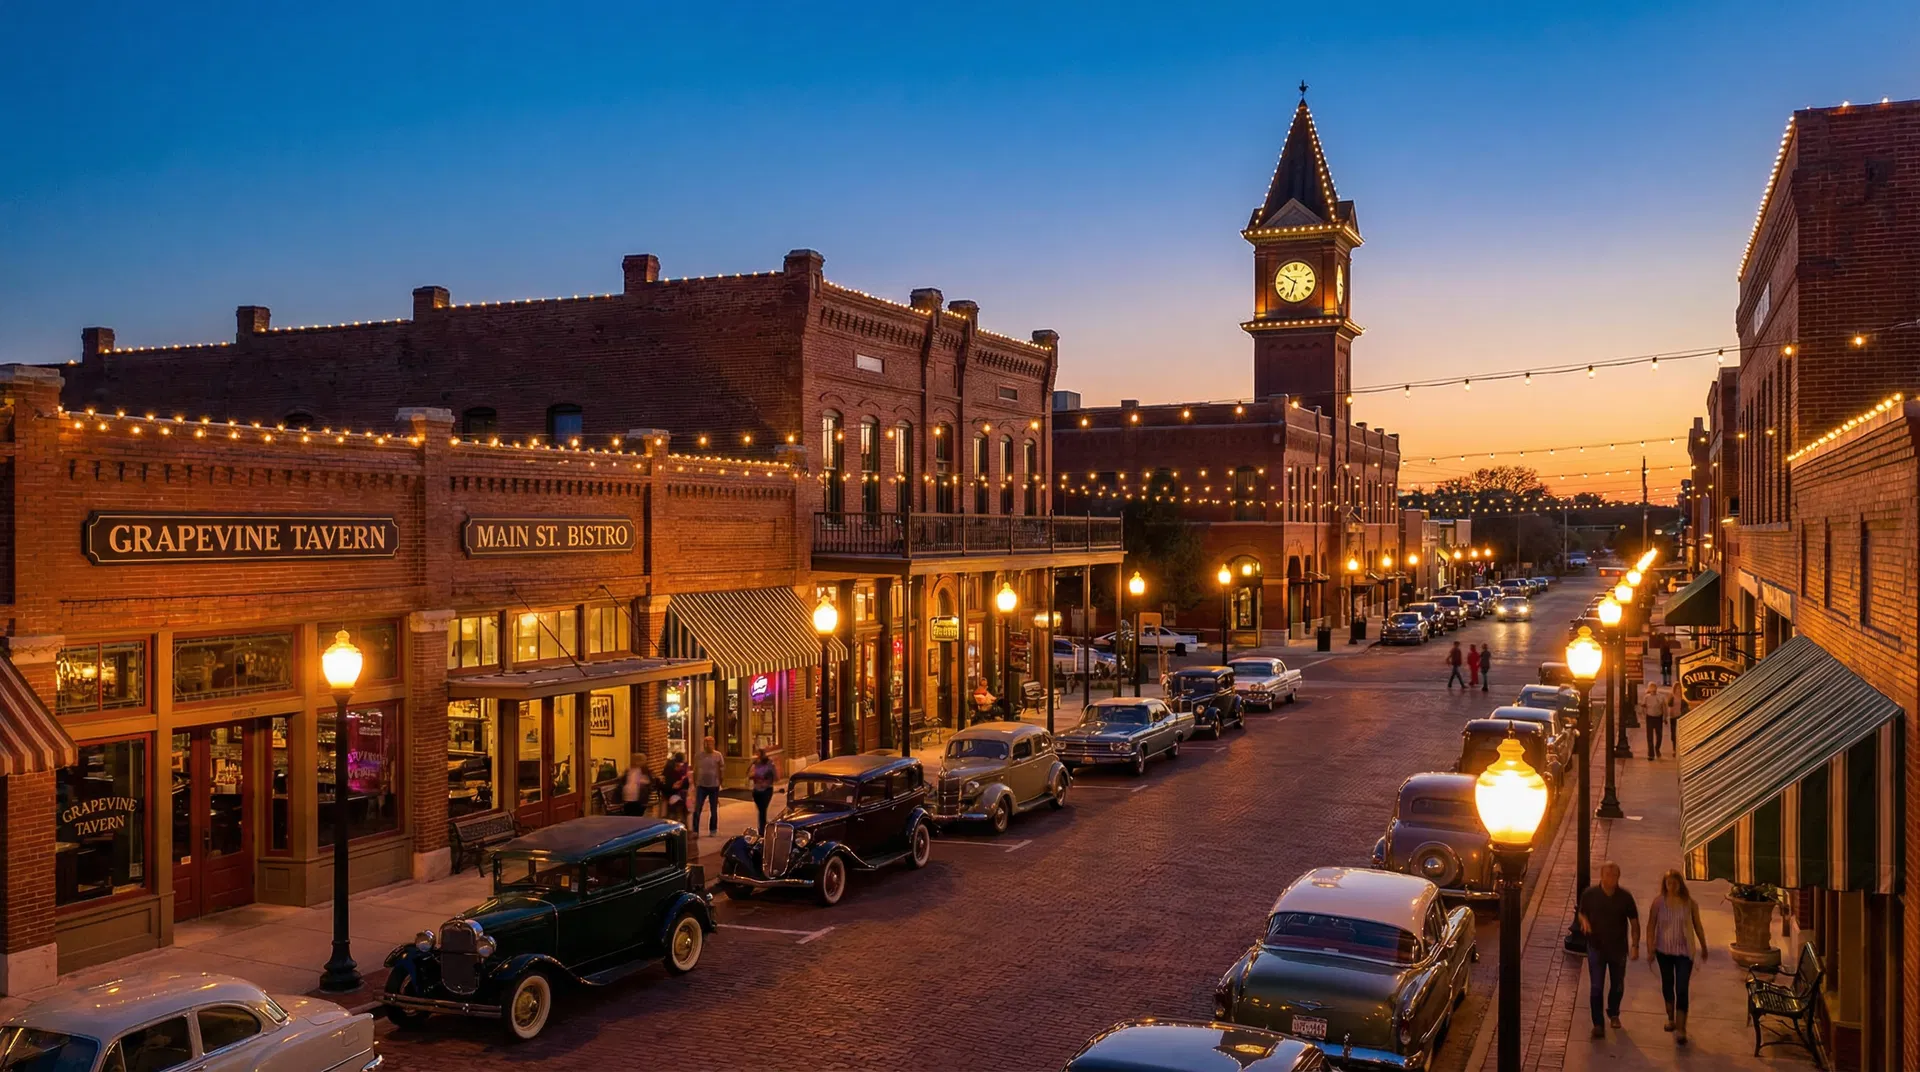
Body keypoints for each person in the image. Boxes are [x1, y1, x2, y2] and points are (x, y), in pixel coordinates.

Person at [1578, 861, 1641, 1038]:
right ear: (1602, 875)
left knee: (1618, 985)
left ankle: (1613, 1012)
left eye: (1614, 875)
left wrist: (1635, 945)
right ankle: (1598, 1023)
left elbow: (1634, 922)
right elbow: (1581, 912)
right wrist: (1584, 922)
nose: (1611, 878)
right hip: (1596, 947)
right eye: (1608, 874)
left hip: (1618, 948)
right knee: (1596, 986)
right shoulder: (1590, 894)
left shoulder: (1625, 897)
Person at [1646, 869, 1709, 1044]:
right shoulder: (1658, 903)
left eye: (1675, 883)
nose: (1672, 886)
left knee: (1681, 988)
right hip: (1663, 951)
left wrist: (1703, 946)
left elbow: (1698, 926)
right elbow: (1651, 925)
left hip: (1684, 953)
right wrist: (1650, 947)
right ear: (1665, 885)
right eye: (1669, 883)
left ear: (1680, 884)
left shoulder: (1689, 904)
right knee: (1668, 984)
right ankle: (1671, 1018)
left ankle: (1682, 1028)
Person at [693, 736, 724, 836]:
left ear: (713, 744)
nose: (707, 745)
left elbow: (721, 769)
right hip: (701, 785)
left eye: (710, 743)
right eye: (706, 743)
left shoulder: (718, 755)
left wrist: (720, 782)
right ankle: (695, 830)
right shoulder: (699, 756)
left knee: (713, 809)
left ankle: (713, 829)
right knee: (697, 809)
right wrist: (695, 782)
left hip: (714, 785)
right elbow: (695, 769)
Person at [617, 752, 655, 817]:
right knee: (633, 812)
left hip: (635, 796)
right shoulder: (631, 770)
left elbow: (650, 781)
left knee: (634, 812)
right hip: (633, 796)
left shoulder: (641, 770)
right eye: (643, 760)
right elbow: (622, 782)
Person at [748, 748, 778, 830]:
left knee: (762, 810)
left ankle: (762, 828)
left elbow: (775, 777)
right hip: (757, 791)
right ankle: (763, 825)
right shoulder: (755, 763)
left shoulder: (769, 764)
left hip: (766, 790)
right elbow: (749, 775)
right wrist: (753, 776)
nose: (756, 756)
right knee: (761, 810)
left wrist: (766, 780)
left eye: (758, 754)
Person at [660, 752, 691, 827]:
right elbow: (670, 785)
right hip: (672, 794)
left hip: (674, 793)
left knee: (677, 812)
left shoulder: (676, 769)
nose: (681, 766)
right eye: (680, 765)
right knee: (675, 812)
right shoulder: (671, 770)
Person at [1643, 683, 1667, 760]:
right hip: (1649, 717)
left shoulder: (1661, 697)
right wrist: (1644, 716)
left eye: (1654, 688)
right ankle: (1651, 754)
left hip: (1658, 718)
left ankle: (1657, 749)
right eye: (1651, 688)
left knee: (1659, 735)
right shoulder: (1646, 697)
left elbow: (1664, 707)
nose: (1653, 690)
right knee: (1649, 736)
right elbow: (1643, 707)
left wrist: (1665, 717)